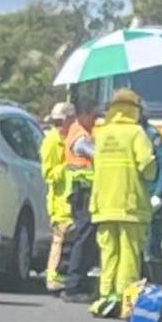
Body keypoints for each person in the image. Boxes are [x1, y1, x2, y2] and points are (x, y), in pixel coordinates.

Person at [89, 88, 156, 318]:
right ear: (134, 109)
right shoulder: (136, 133)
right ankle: (126, 299)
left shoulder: (102, 133)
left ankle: (106, 296)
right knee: (129, 253)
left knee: (108, 253)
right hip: (130, 205)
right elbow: (147, 167)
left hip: (103, 203)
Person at [61, 99, 99, 303]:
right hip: (82, 191)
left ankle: (78, 282)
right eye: (93, 116)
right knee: (83, 237)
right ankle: (73, 285)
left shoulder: (78, 132)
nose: (95, 120)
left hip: (81, 191)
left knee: (85, 236)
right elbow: (97, 156)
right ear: (84, 114)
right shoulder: (81, 136)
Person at [40, 101, 75, 292]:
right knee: (59, 241)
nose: (59, 126)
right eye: (57, 123)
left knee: (71, 241)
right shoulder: (52, 141)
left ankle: (64, 275)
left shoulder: (73, 138)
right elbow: (48, 174)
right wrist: (67, 166)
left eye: (62, 122)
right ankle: (53, 276)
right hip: (59, 201)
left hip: (73, 198)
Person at [140, 109, 162, 264]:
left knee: (152, 242)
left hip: (151, 194)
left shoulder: (153, 136)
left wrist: (159, 194)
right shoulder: (133, 134)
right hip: (137, 194)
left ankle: (155, 274)